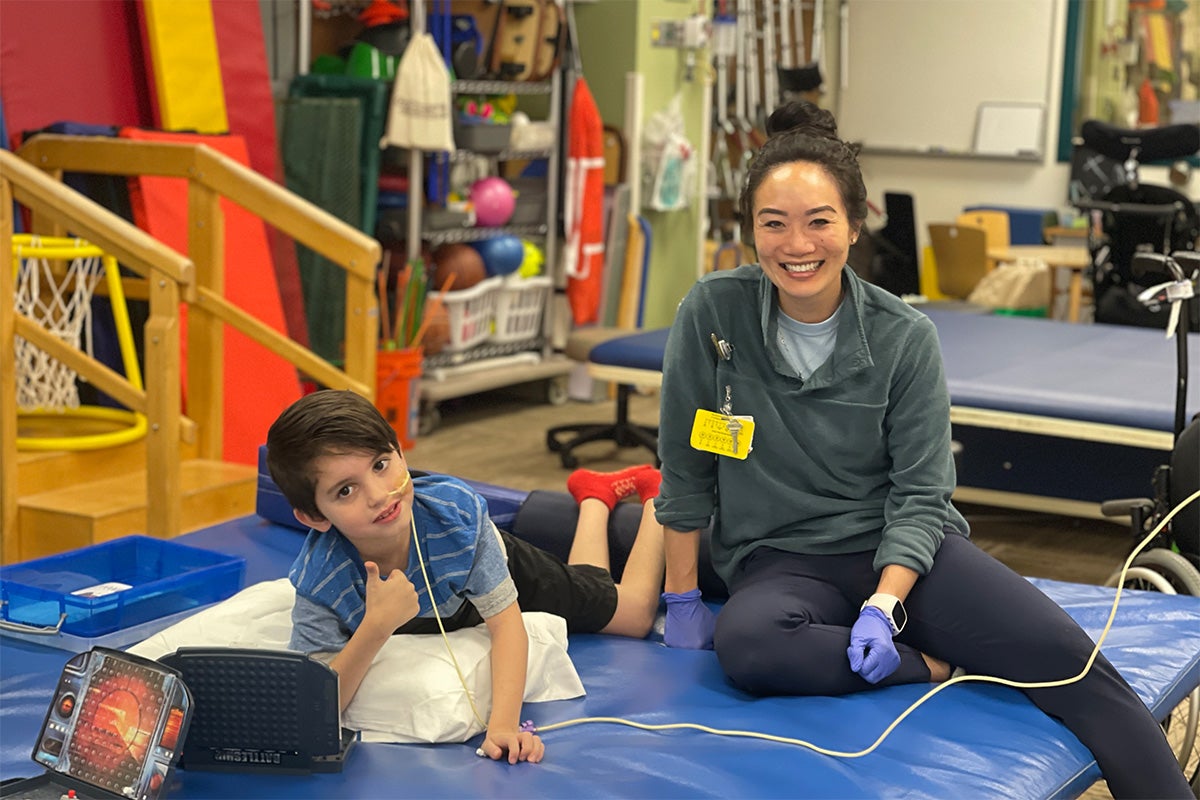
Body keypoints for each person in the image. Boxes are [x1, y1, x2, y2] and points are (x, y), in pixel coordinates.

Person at [652, 101, 1191, 798]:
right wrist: (683, 596)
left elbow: (919, 496)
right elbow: (686, 469)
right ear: (750, 230)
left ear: (854, 221)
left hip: (906, 555)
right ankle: (934, 664)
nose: (797, 244)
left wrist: (883, 604)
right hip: (779, 560)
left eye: (819, 221)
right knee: (749, 646)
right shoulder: (713, 312)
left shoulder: (903, 336)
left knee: (1076, 671)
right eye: (773, 223)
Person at [266, 389, 664, 765]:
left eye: (381, 465)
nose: (378, 495)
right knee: (588, 584)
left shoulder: (455, 517)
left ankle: (658, 498)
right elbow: (317, 703)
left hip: (503, 574)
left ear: (400, 451)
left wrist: (503, 727)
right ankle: (596, 495)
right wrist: (376, 626)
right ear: (314, 517)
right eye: (346, 490)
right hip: (446, 603)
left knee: (632, 616)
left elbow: (507, 625)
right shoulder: (320, 581)